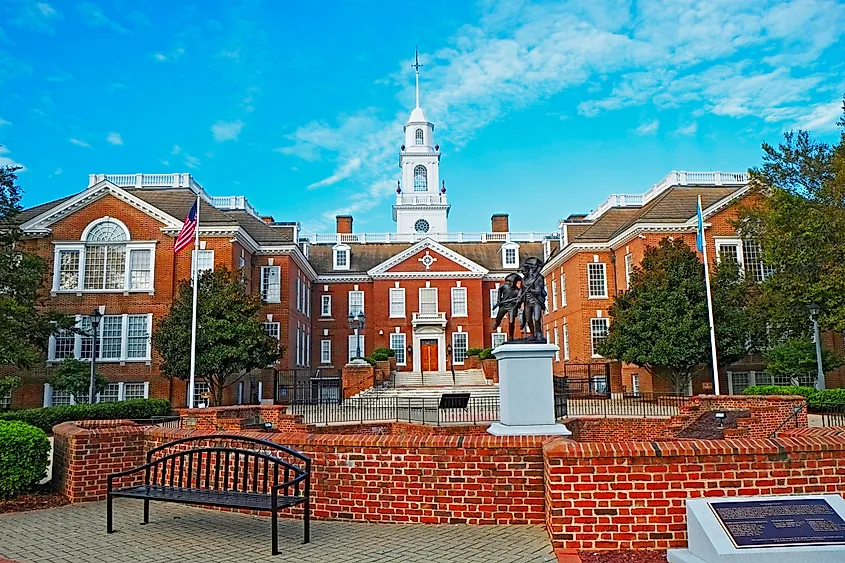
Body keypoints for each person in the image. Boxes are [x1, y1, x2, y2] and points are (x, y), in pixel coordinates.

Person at [519, 257, 547, 342]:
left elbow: (539, 291)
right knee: (528, 320)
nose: (523, 273)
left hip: (536, 301)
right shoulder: (523, 280)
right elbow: (521, 290)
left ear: (529, 270)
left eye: (524, 271)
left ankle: (538, 333)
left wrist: (531, 290)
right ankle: (532, 334)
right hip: (527, 302)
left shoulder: (538, 278)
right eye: (522, 272)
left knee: (537, 318)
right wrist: (519, 297)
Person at [491, 273, 523, 342]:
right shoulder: (505, 286)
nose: (512, 284)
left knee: (511, 322)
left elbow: (520, 300)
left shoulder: (518, 291)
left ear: (515, 283)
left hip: (512, 307)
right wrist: (499, 299)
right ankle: (497, 323)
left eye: (513, 282)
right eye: (510, 282)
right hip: (504, 305)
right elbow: (499, 290)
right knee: (499, 317)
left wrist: (517, 302)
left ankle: (511, 336)